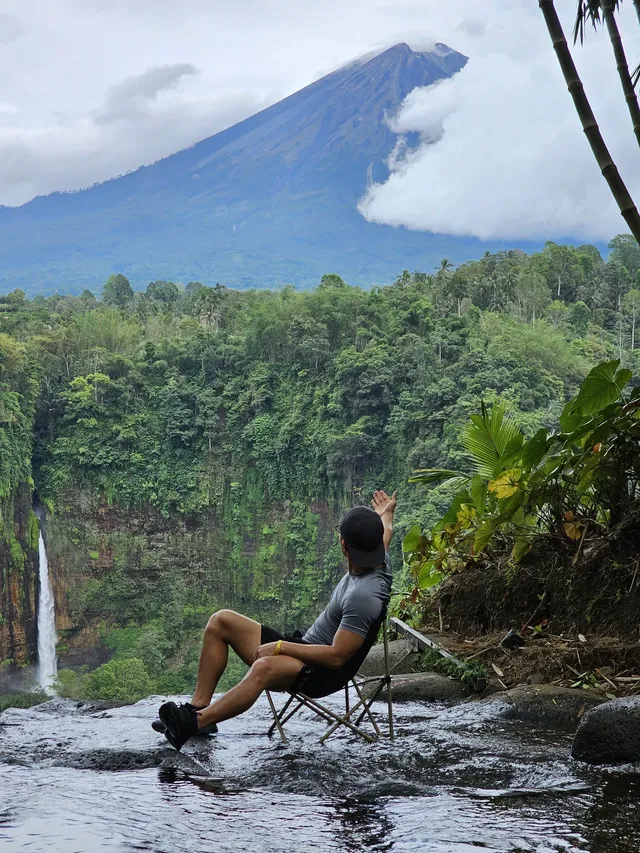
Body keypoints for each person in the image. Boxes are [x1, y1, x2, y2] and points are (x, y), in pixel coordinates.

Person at [155, 489, 397, 750]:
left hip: (319, 672)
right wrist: (385, 513)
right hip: (304, 647)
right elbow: (386, 530)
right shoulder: (377, 557)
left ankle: (193, 724)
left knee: (263, 668)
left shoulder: (364, 596)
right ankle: (198, 707)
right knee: (221, 621)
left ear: (343, 546)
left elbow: (337, 656)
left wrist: (279, 647)